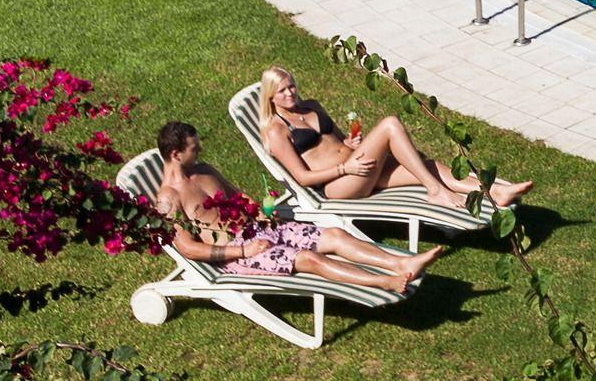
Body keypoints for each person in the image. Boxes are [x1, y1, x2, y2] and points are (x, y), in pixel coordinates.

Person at [151, 120, 440, 294]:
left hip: (258, 228)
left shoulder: (204, 170)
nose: (200, 151)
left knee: (335, 236)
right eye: (194, 149)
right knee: (310, 259)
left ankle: (402, 263)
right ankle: (385, 283)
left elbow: (240, 197)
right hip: (238, 252)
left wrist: (262, 211)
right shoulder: (168, 200)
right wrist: (242, 250)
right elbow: (189, 248)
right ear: (176, 154)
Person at [250, 64, 527, 212]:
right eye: (283, 91)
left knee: (425, 166)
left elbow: (338, 140)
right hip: (338, 185)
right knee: (390, 125)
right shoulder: (276, 130)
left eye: (292, 86)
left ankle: (495, 193)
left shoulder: (311, 106)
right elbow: (301, 177)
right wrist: (345, 168)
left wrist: (349, 144)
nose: (290, 93)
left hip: (360, 167)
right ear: (270, 97)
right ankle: (435, 191)